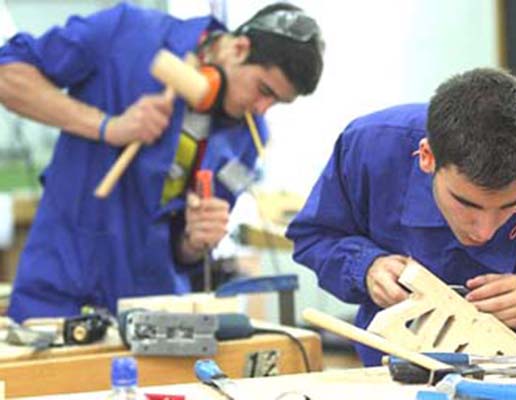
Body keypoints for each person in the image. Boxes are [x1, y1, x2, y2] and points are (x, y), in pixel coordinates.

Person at [0, 2, 324, 322]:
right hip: (60, 285)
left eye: (277, 102)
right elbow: (9, 75)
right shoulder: (126, 33)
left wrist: (195, 241)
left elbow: (184, 251)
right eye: (263, 90)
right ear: (238, 48)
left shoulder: (249, 138)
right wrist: (106, 126)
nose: (262, 109)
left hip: (154, 309)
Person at [286, 68, 516, 366]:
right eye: (468, 204)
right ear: (427, 156)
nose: (485, 231)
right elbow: (314, 236)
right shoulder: (372, 147)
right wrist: (365, 266)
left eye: (509, 206)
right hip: (390, 374)